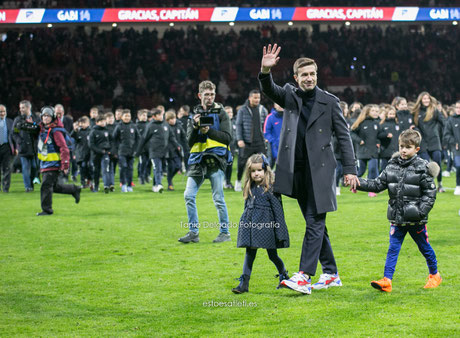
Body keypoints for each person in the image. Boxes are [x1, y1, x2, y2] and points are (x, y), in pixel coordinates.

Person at [258, 44, 359, 295]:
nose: (309, 78)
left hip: (321, 172)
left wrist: (351, 169)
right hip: (297, 172)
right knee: (315, 223)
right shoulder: (290, 96)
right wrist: (264, 70)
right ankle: (331, 273)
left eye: (312, 73)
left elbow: (344, 139)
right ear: (296, 78)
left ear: (317, 74)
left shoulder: (330, 102)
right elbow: (269, 88)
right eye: (304, 75)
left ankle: (303, 276)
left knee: (315, 221)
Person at [355, 129, 442, 292]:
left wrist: (420, 212)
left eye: (407, 147)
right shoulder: (391, 165)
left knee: (425, 248)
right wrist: (357, 183)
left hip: (416, 220)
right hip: (397, 218)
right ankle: (387, 280)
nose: (403, 150)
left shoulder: (423, 167)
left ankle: (434, 275)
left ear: (416, 149)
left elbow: (430, 193)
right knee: (393, 248)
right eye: (401, 146)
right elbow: (377, 184)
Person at [178, 80, 232, 244]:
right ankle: (193, 232)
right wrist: (195, 126)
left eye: (212, 94)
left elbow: (228, 138)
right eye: (206, 94)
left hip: (216, 160)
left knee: (218, 199)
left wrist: (209, 132)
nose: (209, 97)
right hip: (197, 160)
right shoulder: (194, 115)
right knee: (188, 195)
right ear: (200, 95)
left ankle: (225, 232)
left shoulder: (221, 112)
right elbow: (189, 142)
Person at [232, 154, 290, 294]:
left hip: (267, 227)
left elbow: (278, 211)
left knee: (272, 255)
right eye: (253, 171)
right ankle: (244, 283)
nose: (256, 173)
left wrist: (280, 231)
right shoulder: (250, 187)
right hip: (251, 226)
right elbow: (247, 207)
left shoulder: (270, 188)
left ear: (265, 170)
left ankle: (284, 277)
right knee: (250, 253)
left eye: (259, 170)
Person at [18, 106, 81, 215]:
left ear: (52, 117)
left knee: (45, 186)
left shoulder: (56, 131)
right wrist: (28, 124)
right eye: (44, 116)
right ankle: (74, 189)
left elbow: (64, 148)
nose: (46, 118)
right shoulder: (42, 128)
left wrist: (65, 165)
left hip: (54, 164)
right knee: (54, 186)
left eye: (48, 116)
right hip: (45, 163)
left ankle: (47, 210)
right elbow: (34, 128)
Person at [136, 108, 179, 193]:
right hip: (154, 151)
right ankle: (159, 185)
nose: (161, 116)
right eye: (159, 115)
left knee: (161, 169)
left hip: (164, 151)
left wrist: (177, 145)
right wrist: (138, 151)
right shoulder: (150, 126)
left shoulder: (166, 125)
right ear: (154, 116)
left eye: (161, 115)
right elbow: (143, 139)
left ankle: (155, 185)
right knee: (157, 168)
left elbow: (171, 137)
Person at [235, 90, 268, 192]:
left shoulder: (263, 109)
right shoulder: (243, 110)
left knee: (264, 163)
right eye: (255, 98)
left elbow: (266, 125)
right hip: (247, 142)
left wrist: (266, 136)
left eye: (258, 98)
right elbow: (239, 125)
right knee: (241, 163)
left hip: (260, 142)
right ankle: (238, 181)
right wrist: (239, 139)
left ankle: (265, 183)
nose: (257, 100)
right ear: (250, 98)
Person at [412, 92, 446, 192]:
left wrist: (443, 134)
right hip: (422, 142)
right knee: (425, 165)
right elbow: (413, 125)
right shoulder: (416, 112)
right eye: (424, 99)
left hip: (434, 141)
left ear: (430, 100)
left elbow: (444, 122)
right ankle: (429, 185)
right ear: (420, 100)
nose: (426, 100)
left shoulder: (434, 110)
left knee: (437, 163)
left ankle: (440, 184)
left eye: (427, 99)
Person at [351, 104, 382, 198]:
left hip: (373, 151)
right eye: (373, 111)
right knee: (361, 171)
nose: (376, 113)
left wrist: (378, 141)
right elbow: (351, 133)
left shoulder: (377, 123)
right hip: (363, 150)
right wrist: (359, 140)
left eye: (377, 111)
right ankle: (354, 185)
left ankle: (371, 191)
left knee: (372, 169)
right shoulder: (360, 122)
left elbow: (378, 135)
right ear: (367, 112)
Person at [12, 100, 40, 191]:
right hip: (23, 148)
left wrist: (33, 124)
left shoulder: (36, 118)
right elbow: (14, 132)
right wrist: (19, 141)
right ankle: (27, 187)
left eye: (23, 108)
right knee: (25, 168)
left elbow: (40, 128)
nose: (21, 110)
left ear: (28, 108)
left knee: (34, 167)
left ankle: (31, 184)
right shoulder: (18, 119)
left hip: (34, 147)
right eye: (20, 108)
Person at [113, 109, 139, 193]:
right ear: (121, 117)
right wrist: (117, 149)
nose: (127, 117)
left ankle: (129, 185)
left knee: (130, 168)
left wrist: (135, 149)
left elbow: (138, 138)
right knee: (123, 167)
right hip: (122, 151)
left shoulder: (133, 126)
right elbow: (114, 139)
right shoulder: (119, 126)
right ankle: (123, 184)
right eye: (125, 116)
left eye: (129, 116)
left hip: (131, 151)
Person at [89, 115, 113, 193]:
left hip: (105, 154)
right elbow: (91, 144)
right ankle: (96, 186)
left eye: (104, 121)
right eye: (101, 121)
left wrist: (110, 150)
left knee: (105, 169)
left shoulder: (107, 131)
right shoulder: (93, 131)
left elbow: (111, 141)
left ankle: (106, 186)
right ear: (97, 122)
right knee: (96, 170)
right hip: (96, 154)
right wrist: (99, 151)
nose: (103, 123)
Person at [165, 111, 185, 191]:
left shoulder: (179, 126)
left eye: (174, 119)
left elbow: (183, 137)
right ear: (167, 120)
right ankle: (169, 183)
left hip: (177, 150)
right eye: (171, 119)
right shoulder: (165, 127)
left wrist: (186, 146)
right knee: (171, 167)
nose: (173, 120)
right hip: (168, 151)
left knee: (178, 166)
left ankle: (169, 178)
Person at [443, 100, 460, 195]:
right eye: (457, 107)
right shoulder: (451, 119)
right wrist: (454, 142)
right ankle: (458, 186)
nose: (458, 109)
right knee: (458, 166)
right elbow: (446, 134)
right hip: (457, 148)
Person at [0, 104, 17, 193]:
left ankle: (6, 188)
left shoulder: (10, 122)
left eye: (4, 112)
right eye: (0, 112)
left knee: (7, 168)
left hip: (7, 147)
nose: (2, 113)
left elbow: (15, 136)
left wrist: (16, 147)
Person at [71, 116, 92, 188]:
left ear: (88, 123)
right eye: (81, 123)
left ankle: (89, 179)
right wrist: (74, 130)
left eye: (84, 123)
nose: (82, 124)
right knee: (82, 167)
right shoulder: (78, 131)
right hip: (81, 153)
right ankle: (83, 182)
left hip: (89, 153)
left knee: (89, 167)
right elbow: (72, 136)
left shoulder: (91, 131)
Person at [379, 106, 400, 172]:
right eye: (390, 114)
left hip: (396, 150)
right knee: (384, 169)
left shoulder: (398, 125)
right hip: (386, 150)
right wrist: (386, 135)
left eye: (393, 114)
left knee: (396, 169)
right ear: (386, 115)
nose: (392, 115)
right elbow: (378, 135)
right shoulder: (382, 125)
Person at [263, 103, 284, 168]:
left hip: (287, 146)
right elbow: (266, 132)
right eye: (278, 103)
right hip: (273, 146)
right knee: (270, 165)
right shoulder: (270, 117)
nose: (280, 105)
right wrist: (274, 141)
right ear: (275, 105)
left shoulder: (289, 116)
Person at [224, 106, 236, 189]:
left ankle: (228, 181)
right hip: (224, 148)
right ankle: (224, 181)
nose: (230, 114)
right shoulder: (222, 123)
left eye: (231, 112)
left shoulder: (234, 122)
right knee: (224, 165)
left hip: (232, 147)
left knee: (230, 165)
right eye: (227, 112)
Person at [136, 109, 149, 185]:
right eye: (143, 115)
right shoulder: (137, 126)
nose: (145, 117)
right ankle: (141, 177)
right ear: (139, 116)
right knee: (142, 163)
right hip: (141, 148)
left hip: (148, 148)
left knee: (148, 163)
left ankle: (146, 175)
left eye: (146, 116)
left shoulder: (148, 124)